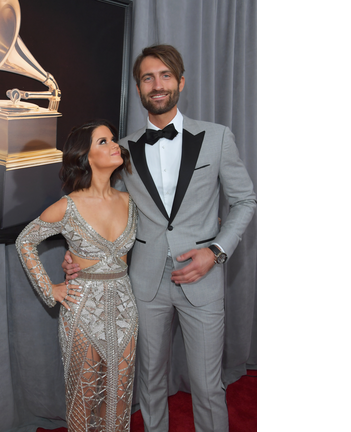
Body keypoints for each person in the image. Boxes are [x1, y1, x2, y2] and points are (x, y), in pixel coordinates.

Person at [62, 45, 256, 432]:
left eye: (166, 75)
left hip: (202, 277)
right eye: (148, 77)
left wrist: (215, 251)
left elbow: (245, 200)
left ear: (181, 82)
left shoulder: (217, 138)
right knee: (149, 382)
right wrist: (77, 249)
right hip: (145, 283)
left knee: (207, 385)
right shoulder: (124, 149)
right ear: (138, 89)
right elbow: (102, 204)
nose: (157, 84)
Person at [15, 119, 139, 432]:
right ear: (84, 156)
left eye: (113, 139)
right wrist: (50, 289)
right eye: (103, 142)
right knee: (84, 396)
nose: (114, 145)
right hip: (81, 310)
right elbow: (25, 241)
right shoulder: (68, 207)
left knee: (121, 394)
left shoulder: (130, 202)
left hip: (125, 308)